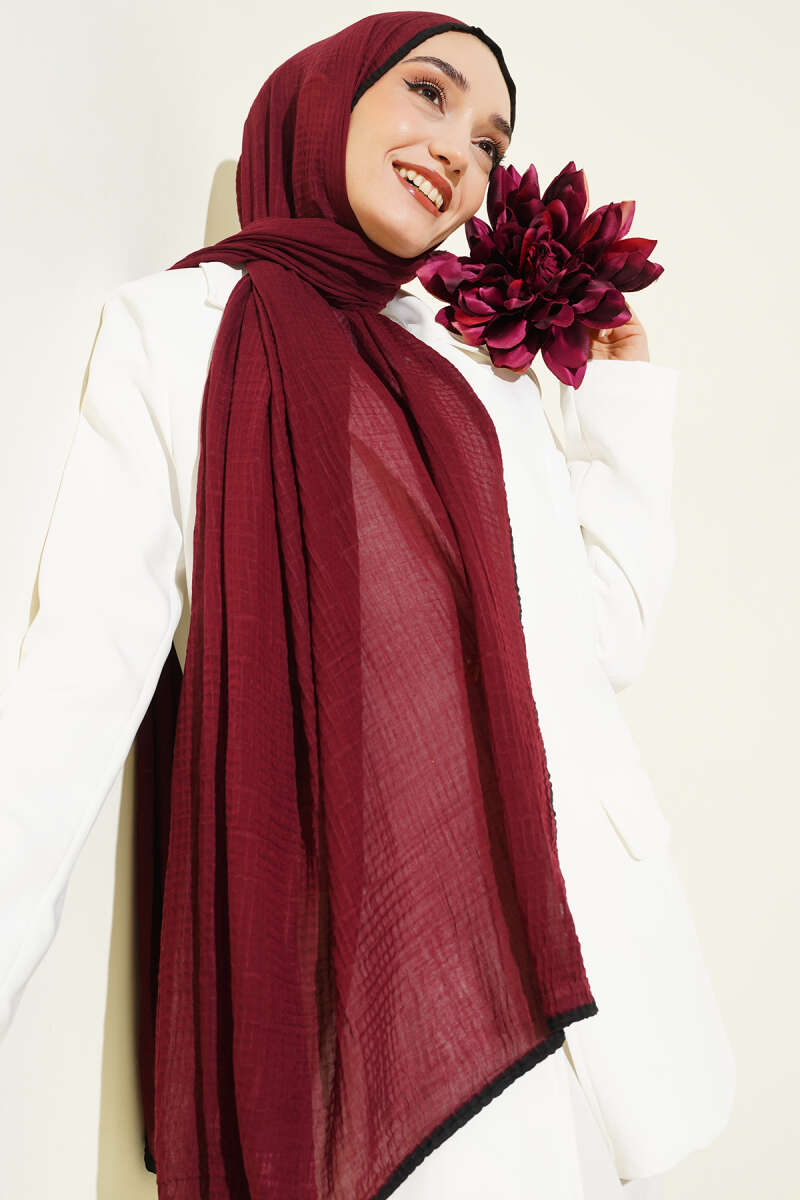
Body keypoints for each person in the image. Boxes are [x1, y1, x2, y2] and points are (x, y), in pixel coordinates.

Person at [0, 11, 735, 1199]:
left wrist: (617, 411)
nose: (458, 151)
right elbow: (80, 681)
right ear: (326, 96)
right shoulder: (178, 334)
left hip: (562, 983)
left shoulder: (474, 370)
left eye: (489, 142)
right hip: (361, 990)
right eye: (428, 93)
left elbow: (593, 643)